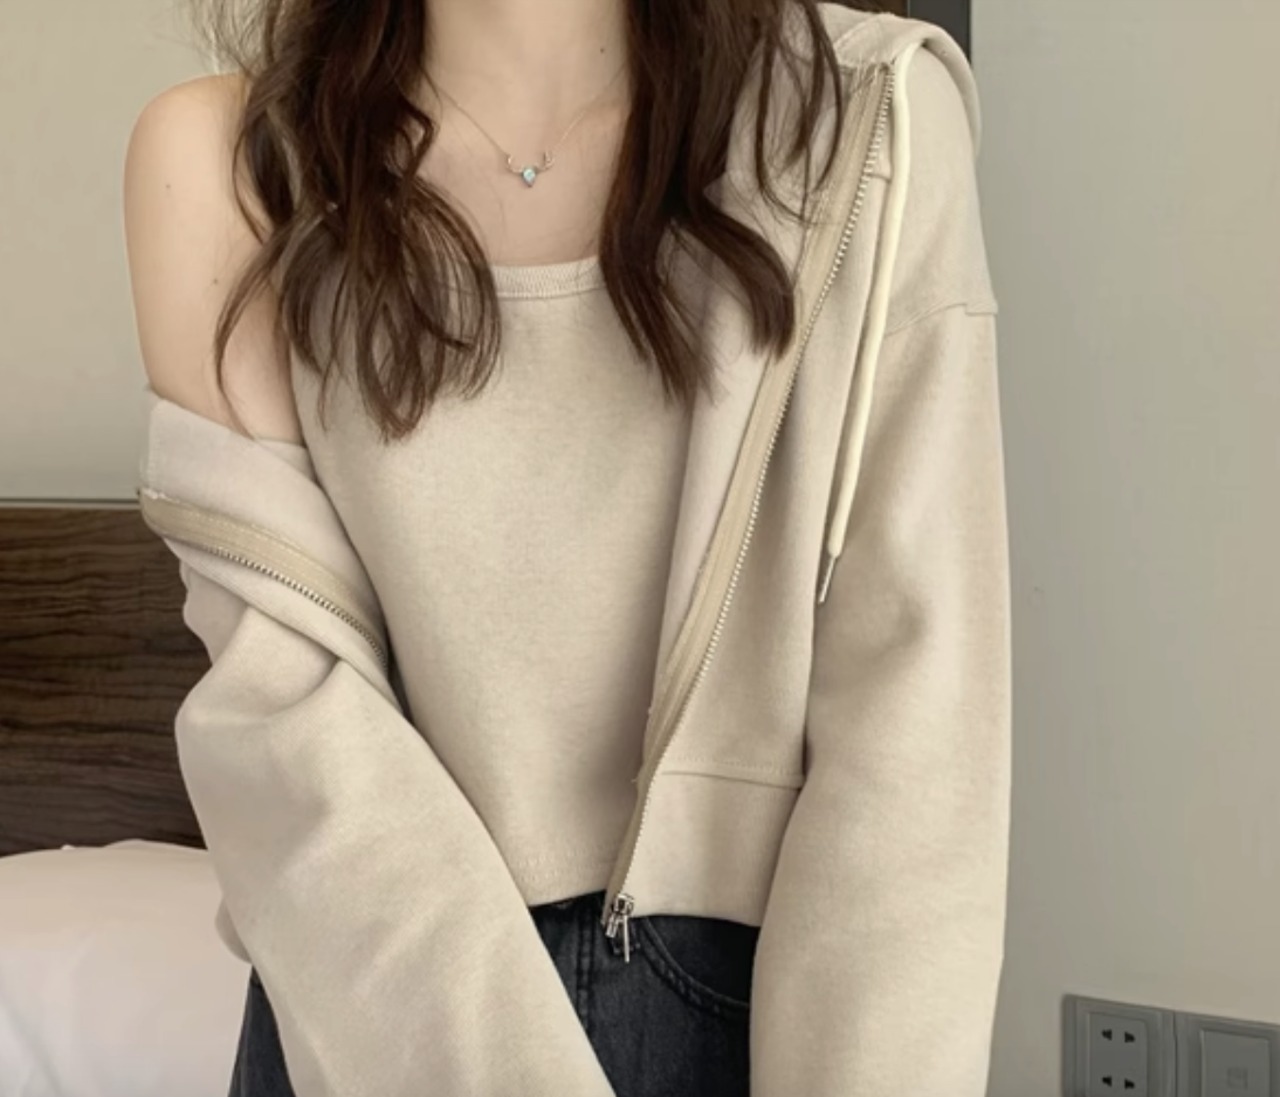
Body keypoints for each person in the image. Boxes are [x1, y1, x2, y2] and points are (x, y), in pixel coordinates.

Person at [122, 1, 1010, 1095]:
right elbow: (291, 723)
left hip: (750, 1014)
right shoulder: (233, 166)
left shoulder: (859, 121)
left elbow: (911, 757)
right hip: (376, 1014)